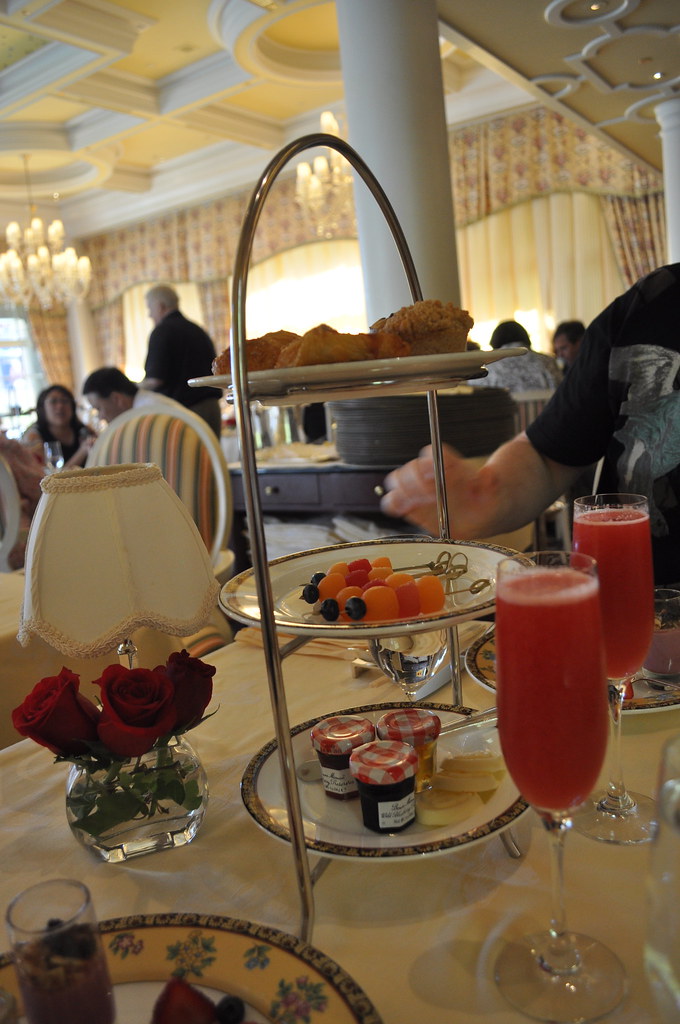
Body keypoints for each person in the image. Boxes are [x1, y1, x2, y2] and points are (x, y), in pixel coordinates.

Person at [380, 264, 680, 585]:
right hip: (635, 610)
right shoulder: (651, 304)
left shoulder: (489, 375)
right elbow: (549, 454)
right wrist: (484, 496)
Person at [142, 284, 221, 436]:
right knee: (210, 458)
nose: (149, 315)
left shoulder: (161, 332)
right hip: (212, 408)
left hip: (188, 412)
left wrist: (135, 390)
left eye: (149, 309)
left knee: (190, 459)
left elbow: (155, 380)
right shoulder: (197, 330)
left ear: (160, 306)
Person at [470, 320, 562, 394]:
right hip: (546, 415)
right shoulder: (548, 361)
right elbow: (561, 391)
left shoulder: (488, 368)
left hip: (504, 415)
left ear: (495, 343)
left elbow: (475, 393)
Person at [21, 385, 95, 469]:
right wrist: (82, 451)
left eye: (65, 401)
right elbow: (45, 477)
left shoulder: (84, 430)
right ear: (42, 408)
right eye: (53, 401)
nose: (60, 406)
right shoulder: (33, 437)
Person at [82, 367, 185, 427]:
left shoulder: (148, 415)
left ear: (117, 399)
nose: (100, 417)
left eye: (99, 409)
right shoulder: (143, 406)